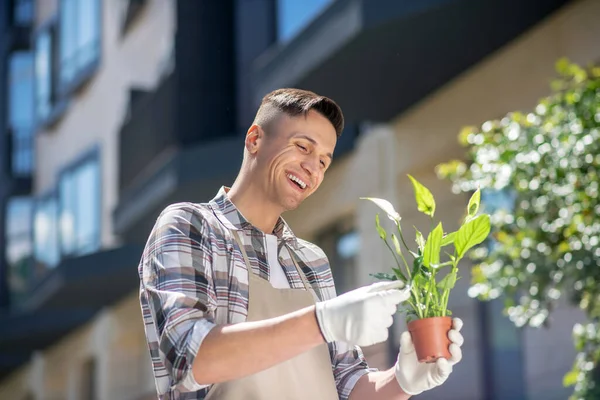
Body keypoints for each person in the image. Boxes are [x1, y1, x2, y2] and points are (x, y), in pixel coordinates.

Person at [138, 88, 464, 399]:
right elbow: (188, 357)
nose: (313, 168)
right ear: (255, 139)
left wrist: (403, 380)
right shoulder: (191, 226)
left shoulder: (312, 260)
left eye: (324, 161)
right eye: (303, 147)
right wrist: (322, 321)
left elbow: (346, 382)